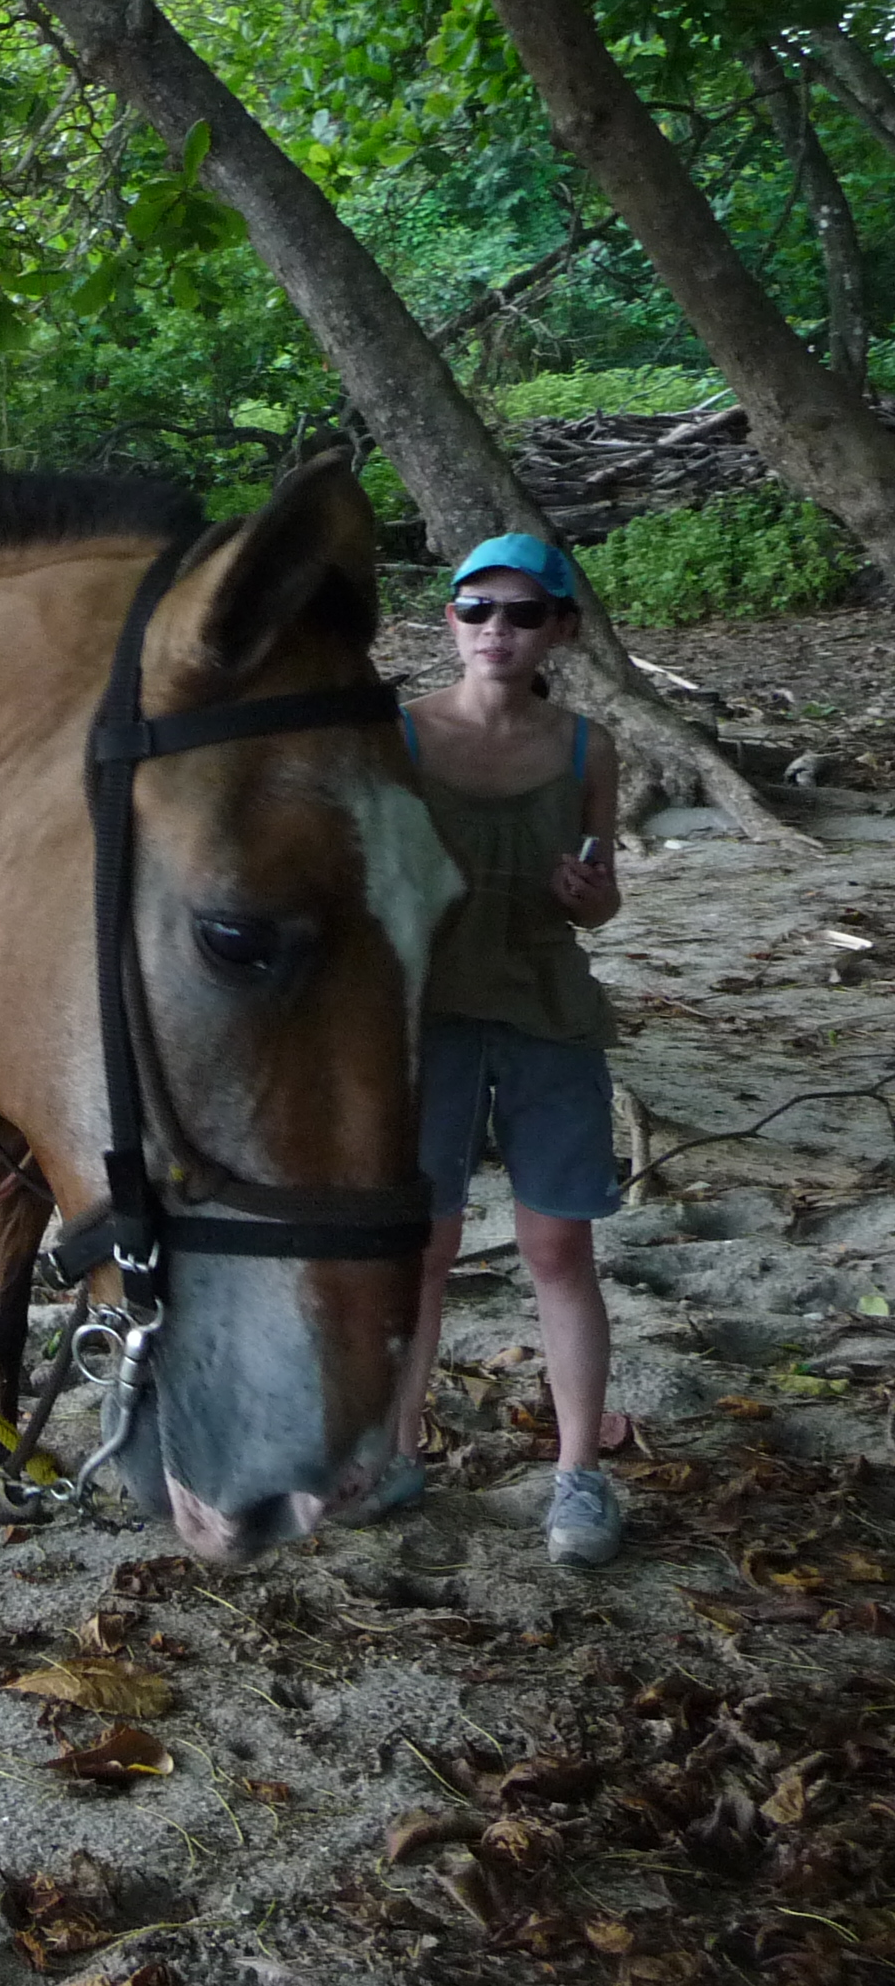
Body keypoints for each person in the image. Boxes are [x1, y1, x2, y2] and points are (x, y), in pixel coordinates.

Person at [369, 534, 627, 1565]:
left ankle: (580, 1477)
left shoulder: (588, 748)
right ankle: (394, 1455)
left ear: (559, 629)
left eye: (522, 613)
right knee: (422, 1252)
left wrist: (589, 896)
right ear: (451, 621)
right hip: (423, 1020)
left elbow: (602, 902)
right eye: (476, 610)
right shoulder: (398, 736)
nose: (496, 631)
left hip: (546, 1014)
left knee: (558, 1249)